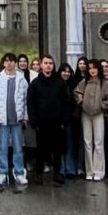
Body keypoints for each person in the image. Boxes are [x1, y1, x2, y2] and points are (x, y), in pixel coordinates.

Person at [26, 54, 68, 185]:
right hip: (41, 122)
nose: (48, 65)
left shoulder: (59, 83)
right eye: (46, 63)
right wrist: (34, 121)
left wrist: (64, 120)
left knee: (57, 149)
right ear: (41, 65)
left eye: (50, 63)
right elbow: (30, 103)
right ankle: (39, 174)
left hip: (56, 122)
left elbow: (65, 102)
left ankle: (57, 174)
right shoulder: (35, 83)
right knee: (40, 149)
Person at [0, 53, 28, 190]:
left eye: (11, 61)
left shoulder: (22, 80)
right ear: (3, 63)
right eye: (6, 61)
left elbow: (26, 100)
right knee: (3, 148)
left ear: (15, 63)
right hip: (2, 120)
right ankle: (2, 172)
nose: (9, 63)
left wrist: (26, 117)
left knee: (18, 148)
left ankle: (19, 172)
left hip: (17, 120)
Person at [74, 60, 108, 180]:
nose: (92, 70)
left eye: (94, 68)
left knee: (99, 142)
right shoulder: (84, 82)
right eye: (90, 68)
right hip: (85, 115)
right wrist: (81, 101)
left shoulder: (104, 84)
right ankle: (89, 171)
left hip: (99, 115)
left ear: (98, 69)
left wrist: (102, 106)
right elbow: (76, 93)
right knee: (87, 143)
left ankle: (99, 171)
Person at [58, 62, 81, 178]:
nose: (66, 74)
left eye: (68, 71)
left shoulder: (74, 84)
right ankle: (61, 169)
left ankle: (70, 169)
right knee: (60, 145)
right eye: (64, 71)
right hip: (58, 118)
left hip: (71, 119)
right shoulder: (56, 84)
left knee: (70, 144)